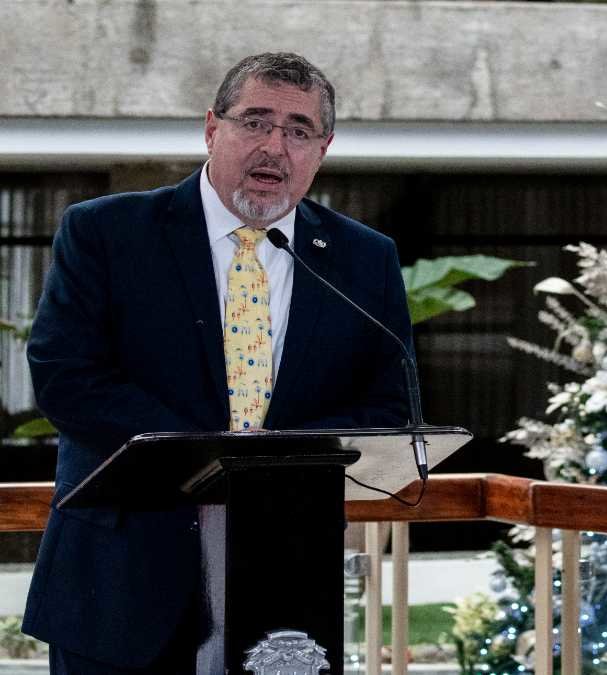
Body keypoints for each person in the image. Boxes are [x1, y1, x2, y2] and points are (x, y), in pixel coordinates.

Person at [22, 53, 413, 672]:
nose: (274, 148)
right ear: (212, 128)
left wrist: (270, 469)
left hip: (288, 568)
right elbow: (66, 376)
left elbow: (386, 405)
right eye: (255, 122)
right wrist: (206, 458)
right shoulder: (108, 232)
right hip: (122, 577)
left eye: (298, 130)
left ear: (323, 149)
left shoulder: (362, 259)